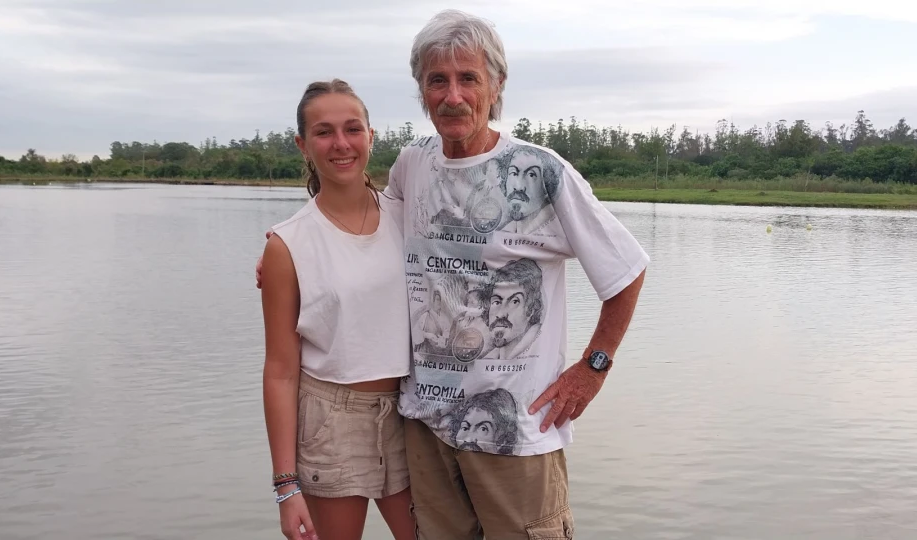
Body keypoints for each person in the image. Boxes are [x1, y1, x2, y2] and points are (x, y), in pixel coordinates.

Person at [259, 10, 649, 539]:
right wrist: (287, 256)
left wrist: (593, 366)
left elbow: (625, 271)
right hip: (427, 430)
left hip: (516, 433)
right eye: (437, 80)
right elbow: (365, 226)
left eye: (469, 78)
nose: (453, 95)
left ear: (496, 85)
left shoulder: (541, 172)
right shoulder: (413, 165)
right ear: (422, 92)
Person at [259, 79, 416, 540]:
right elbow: (280, 372)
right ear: (303, 145)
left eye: (352, 129)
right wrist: (286, 488)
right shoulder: (288, 244)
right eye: (324, 132)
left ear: (372, 135)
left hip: (412, 412)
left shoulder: (410, 217)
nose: (341, 143)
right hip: (331, 418)